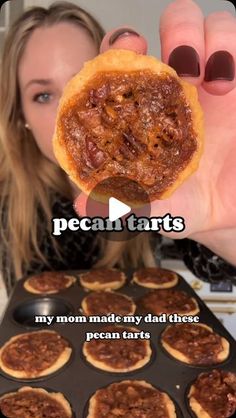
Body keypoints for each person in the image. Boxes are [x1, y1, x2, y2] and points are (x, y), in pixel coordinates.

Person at [0, 0, 235, 297]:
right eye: (43, 95)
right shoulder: (8, 209)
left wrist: (224, 226)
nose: (65, 110)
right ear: (21, 116)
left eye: (79, 83)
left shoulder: (164, 188)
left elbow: (219, 268)